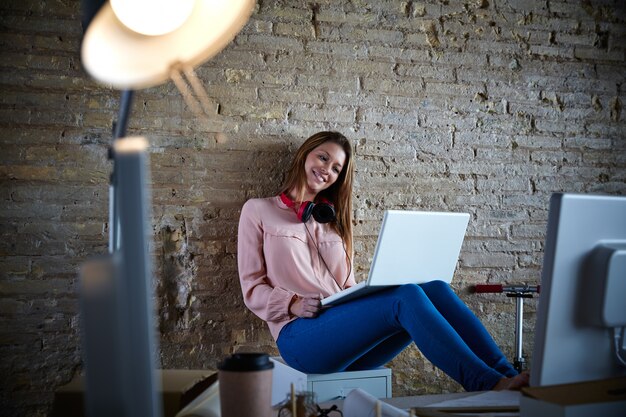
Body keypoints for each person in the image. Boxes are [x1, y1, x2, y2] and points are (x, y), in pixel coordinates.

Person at [237, 131, 529, 391]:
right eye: (323, 158)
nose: (326, 170)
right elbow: (252, 288)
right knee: (406, 296)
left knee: (435, 287)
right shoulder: (258, 211)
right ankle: (488, 384)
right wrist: (292, 303)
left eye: (336, 168)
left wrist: (368, 290)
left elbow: (347, 285)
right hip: (299, 337)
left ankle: (508, 377)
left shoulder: (332, 222)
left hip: (346, 337)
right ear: (305, 155)